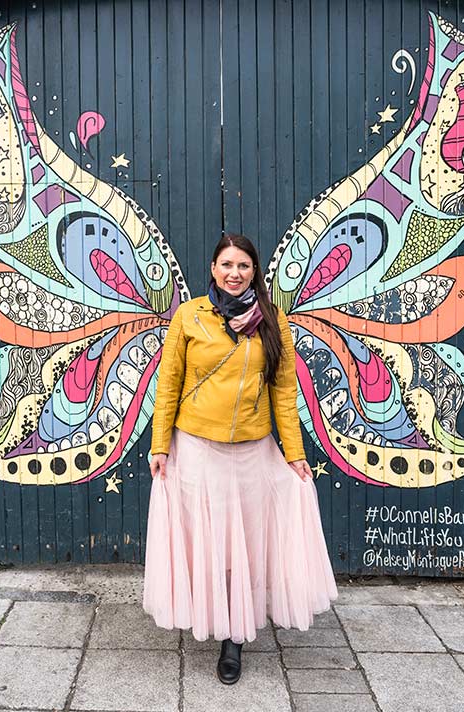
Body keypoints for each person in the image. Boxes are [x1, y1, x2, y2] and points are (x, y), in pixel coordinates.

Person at [142, 233, 338, 685]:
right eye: (227, 264)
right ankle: (211, 617)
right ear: (213, 269)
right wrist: (159, 445)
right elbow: (168, 383)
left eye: (244, 266)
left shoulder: (273, 320)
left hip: (252, 451)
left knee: (245, 546)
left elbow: (284, 392)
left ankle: (234, 640)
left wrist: (294, 455)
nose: (235, 273)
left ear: (255, 272)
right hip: (196, 449)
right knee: (207, 542)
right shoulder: (189, 317)